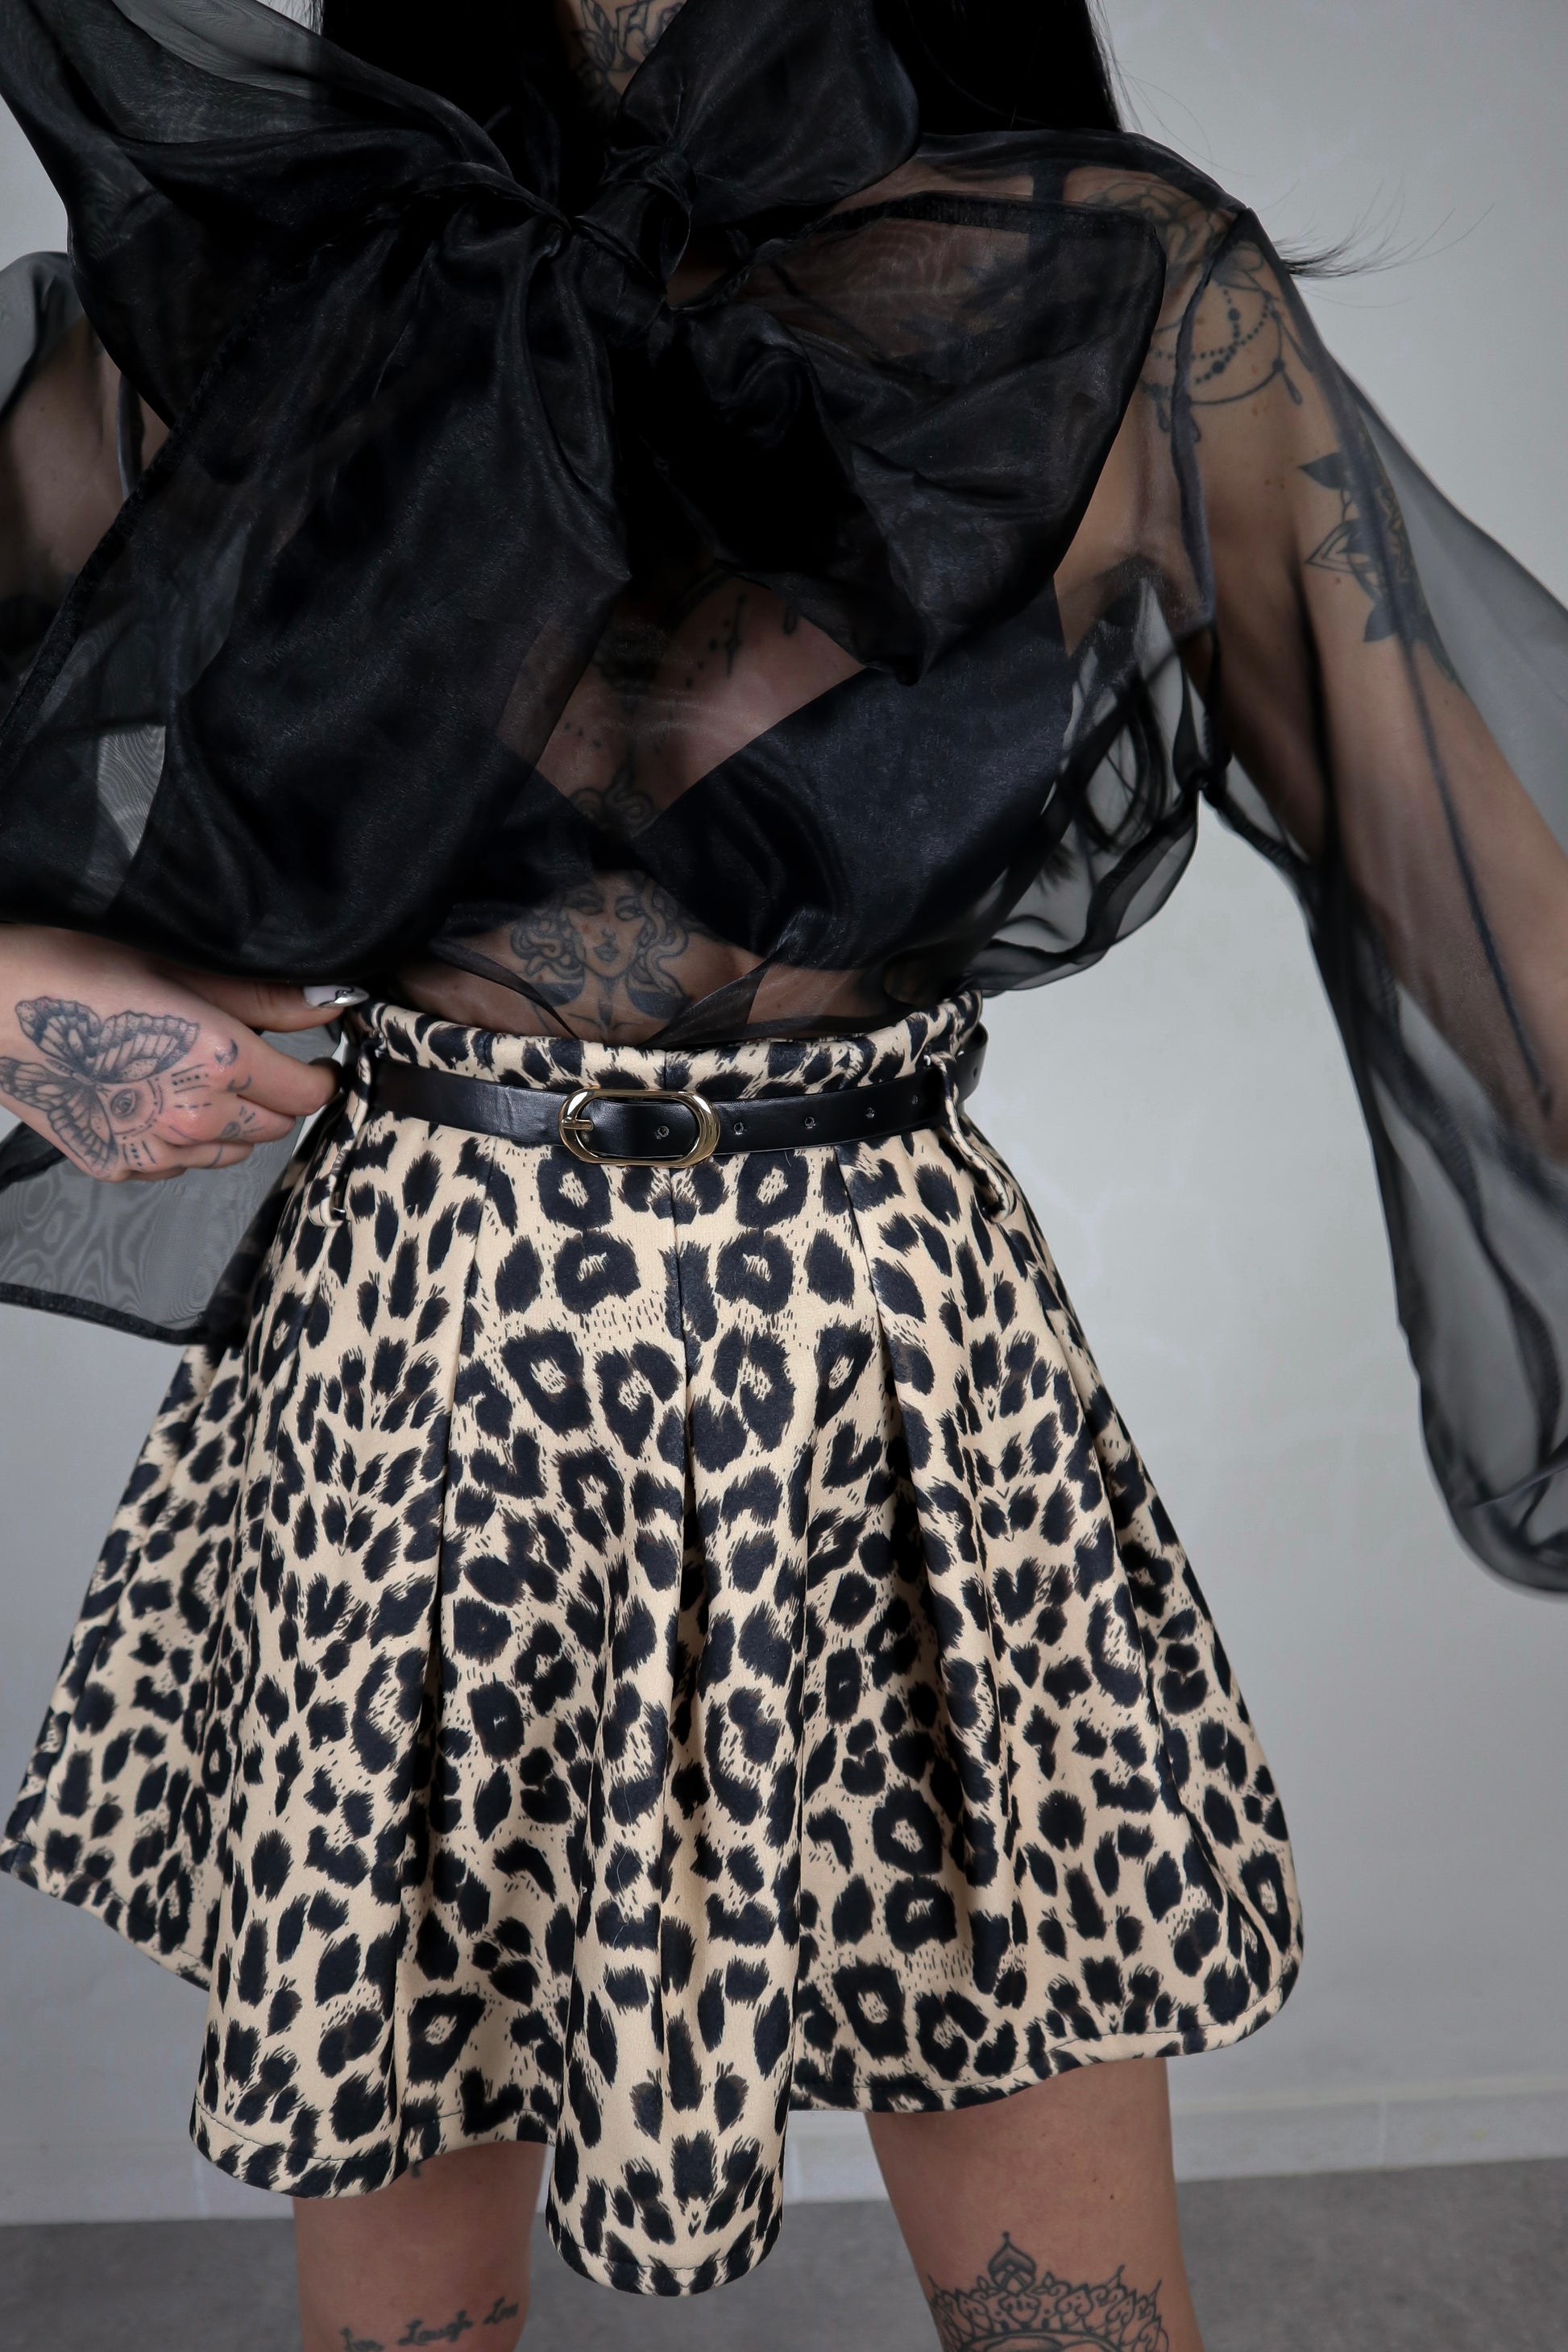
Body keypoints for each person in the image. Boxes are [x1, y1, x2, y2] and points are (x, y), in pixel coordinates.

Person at [1, 1, 1566, 2345]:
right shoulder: (270, 263)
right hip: (408, 1381)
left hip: (888, 1397)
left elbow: (1502, 921)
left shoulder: (1113, 290)